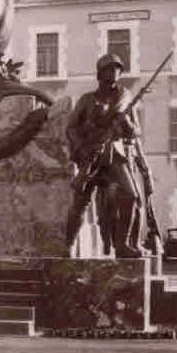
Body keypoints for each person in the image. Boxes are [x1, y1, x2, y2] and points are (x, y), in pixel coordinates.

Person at [64, 54, 154, 258]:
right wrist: (82, 147)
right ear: (100, 74)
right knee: (80, 202)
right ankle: (68, 246)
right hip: (91, 155)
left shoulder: (125, 98)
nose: (114, 73)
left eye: (117, 69)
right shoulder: (87, 100)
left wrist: (126, 124)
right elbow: (71, 128)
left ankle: (122, 245)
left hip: (114, 155)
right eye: (109, 69)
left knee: (131, 196)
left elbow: (136, 132)